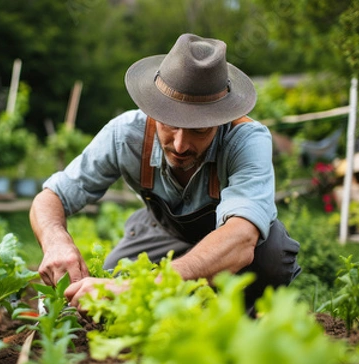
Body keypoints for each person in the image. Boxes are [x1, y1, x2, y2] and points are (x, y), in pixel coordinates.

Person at [30, 33, 301, 312]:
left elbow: (241, 238)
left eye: (199, 130)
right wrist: (55, 241)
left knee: (271, 258)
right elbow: (51, 197)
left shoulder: (246, 140)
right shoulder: (125, 135)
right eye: (170, 123)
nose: (181, 145)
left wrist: (140, 287)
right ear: (153, 108)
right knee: (110, 284)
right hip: (161, 237)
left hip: (234, 248)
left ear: (221, 118)